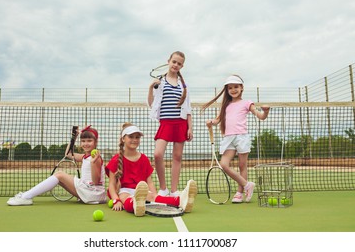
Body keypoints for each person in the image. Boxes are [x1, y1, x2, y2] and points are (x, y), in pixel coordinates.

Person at [201, 75, 270, 203]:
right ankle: (247, 185)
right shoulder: (225, 105)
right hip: (228, 138)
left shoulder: (247, 103)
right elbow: (217, 120)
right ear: (227, 90)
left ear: (242, 88)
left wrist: (265, 112)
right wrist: (211, 122)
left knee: (242, 165)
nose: (233, 90)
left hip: (242, 137)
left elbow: (261, 116)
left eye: (236, 87)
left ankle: (239, 193)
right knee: (224, 165)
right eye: (230, 88)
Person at [105, 122, 197, 216]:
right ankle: (135, 205)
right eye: (131, 137)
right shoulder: (116, 160)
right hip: (125, 191)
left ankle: (181, 200)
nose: (134, 140)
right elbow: (111, 185)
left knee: (153, 197)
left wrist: (155, 195)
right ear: (123, 139)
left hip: (142, 191)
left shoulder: (144, 159)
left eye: (137, 137)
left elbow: (149, 182)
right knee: (126, 198)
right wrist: (116, 200)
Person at [7, 125, 106, 206]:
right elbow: (68, 154)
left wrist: (93, 163)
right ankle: (26, 196)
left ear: (95, 142)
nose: (86, 144)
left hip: (93, 193)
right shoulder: (85, 156)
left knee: (59, 175)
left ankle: (25, 197)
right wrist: (73, 137)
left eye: (89, 141)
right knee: (59, 180)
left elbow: (96, 181)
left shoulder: (96, 158)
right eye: (83, 141)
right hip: (89, 191)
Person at [147, 51, 193, 197]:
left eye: (179, 63)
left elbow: (188, 108)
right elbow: (151, 104)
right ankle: (163, 188)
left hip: (181, 123)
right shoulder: (160, 82)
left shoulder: (183, 85)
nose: (176, 65)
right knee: (157, 154)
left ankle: (173, 191)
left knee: (177, 156)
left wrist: (190, 127)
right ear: (168, 61)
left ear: (182, 66)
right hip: (166, 123)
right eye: (174, 61)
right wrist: (150, 88)